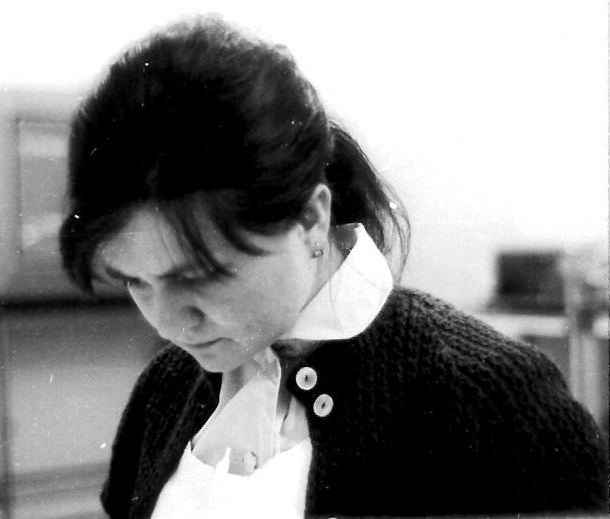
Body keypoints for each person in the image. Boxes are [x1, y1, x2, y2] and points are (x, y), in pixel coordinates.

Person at [59, 15, 608, 519]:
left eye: (200, 276)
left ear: (310, 218)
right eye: (136, 281)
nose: (169, 323)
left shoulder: (489, 395)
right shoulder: (164, 388)